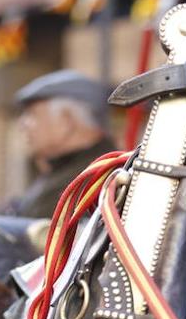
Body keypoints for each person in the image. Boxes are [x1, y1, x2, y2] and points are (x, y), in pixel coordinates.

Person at [7, 69, 114, 218]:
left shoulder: (90, 180)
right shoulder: (68, 172)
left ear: (66, 121)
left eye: (32, 114)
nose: (22, 124)